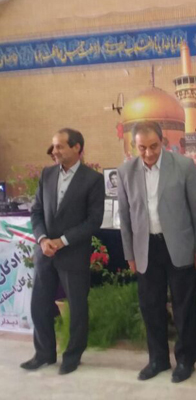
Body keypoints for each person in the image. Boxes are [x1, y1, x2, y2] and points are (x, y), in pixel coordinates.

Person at [116, 121, 196, 383]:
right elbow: (125, 216)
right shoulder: (125, 172)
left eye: (153, 146)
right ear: (134, 146)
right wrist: (129, 254)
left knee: (183, 307)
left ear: (163, 142)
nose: (148, 153)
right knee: (151, 306)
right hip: (145, 248)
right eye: (142, 148)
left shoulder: (184, 166)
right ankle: (158, 359)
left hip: (178, 245)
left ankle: (186, 360)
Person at [24, 128, 104, 375]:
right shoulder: (47, 174)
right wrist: (42, 239)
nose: (54, 151)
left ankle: (72, 356)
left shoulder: (93, 179)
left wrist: (63, 241)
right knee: (39, 305)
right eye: (54, 146)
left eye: (60, 146)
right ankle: (44, 354)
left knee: (77, 309)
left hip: (73, 254)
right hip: (45, 253)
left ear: (77, 148)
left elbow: (94, 221)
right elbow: (36, 211)